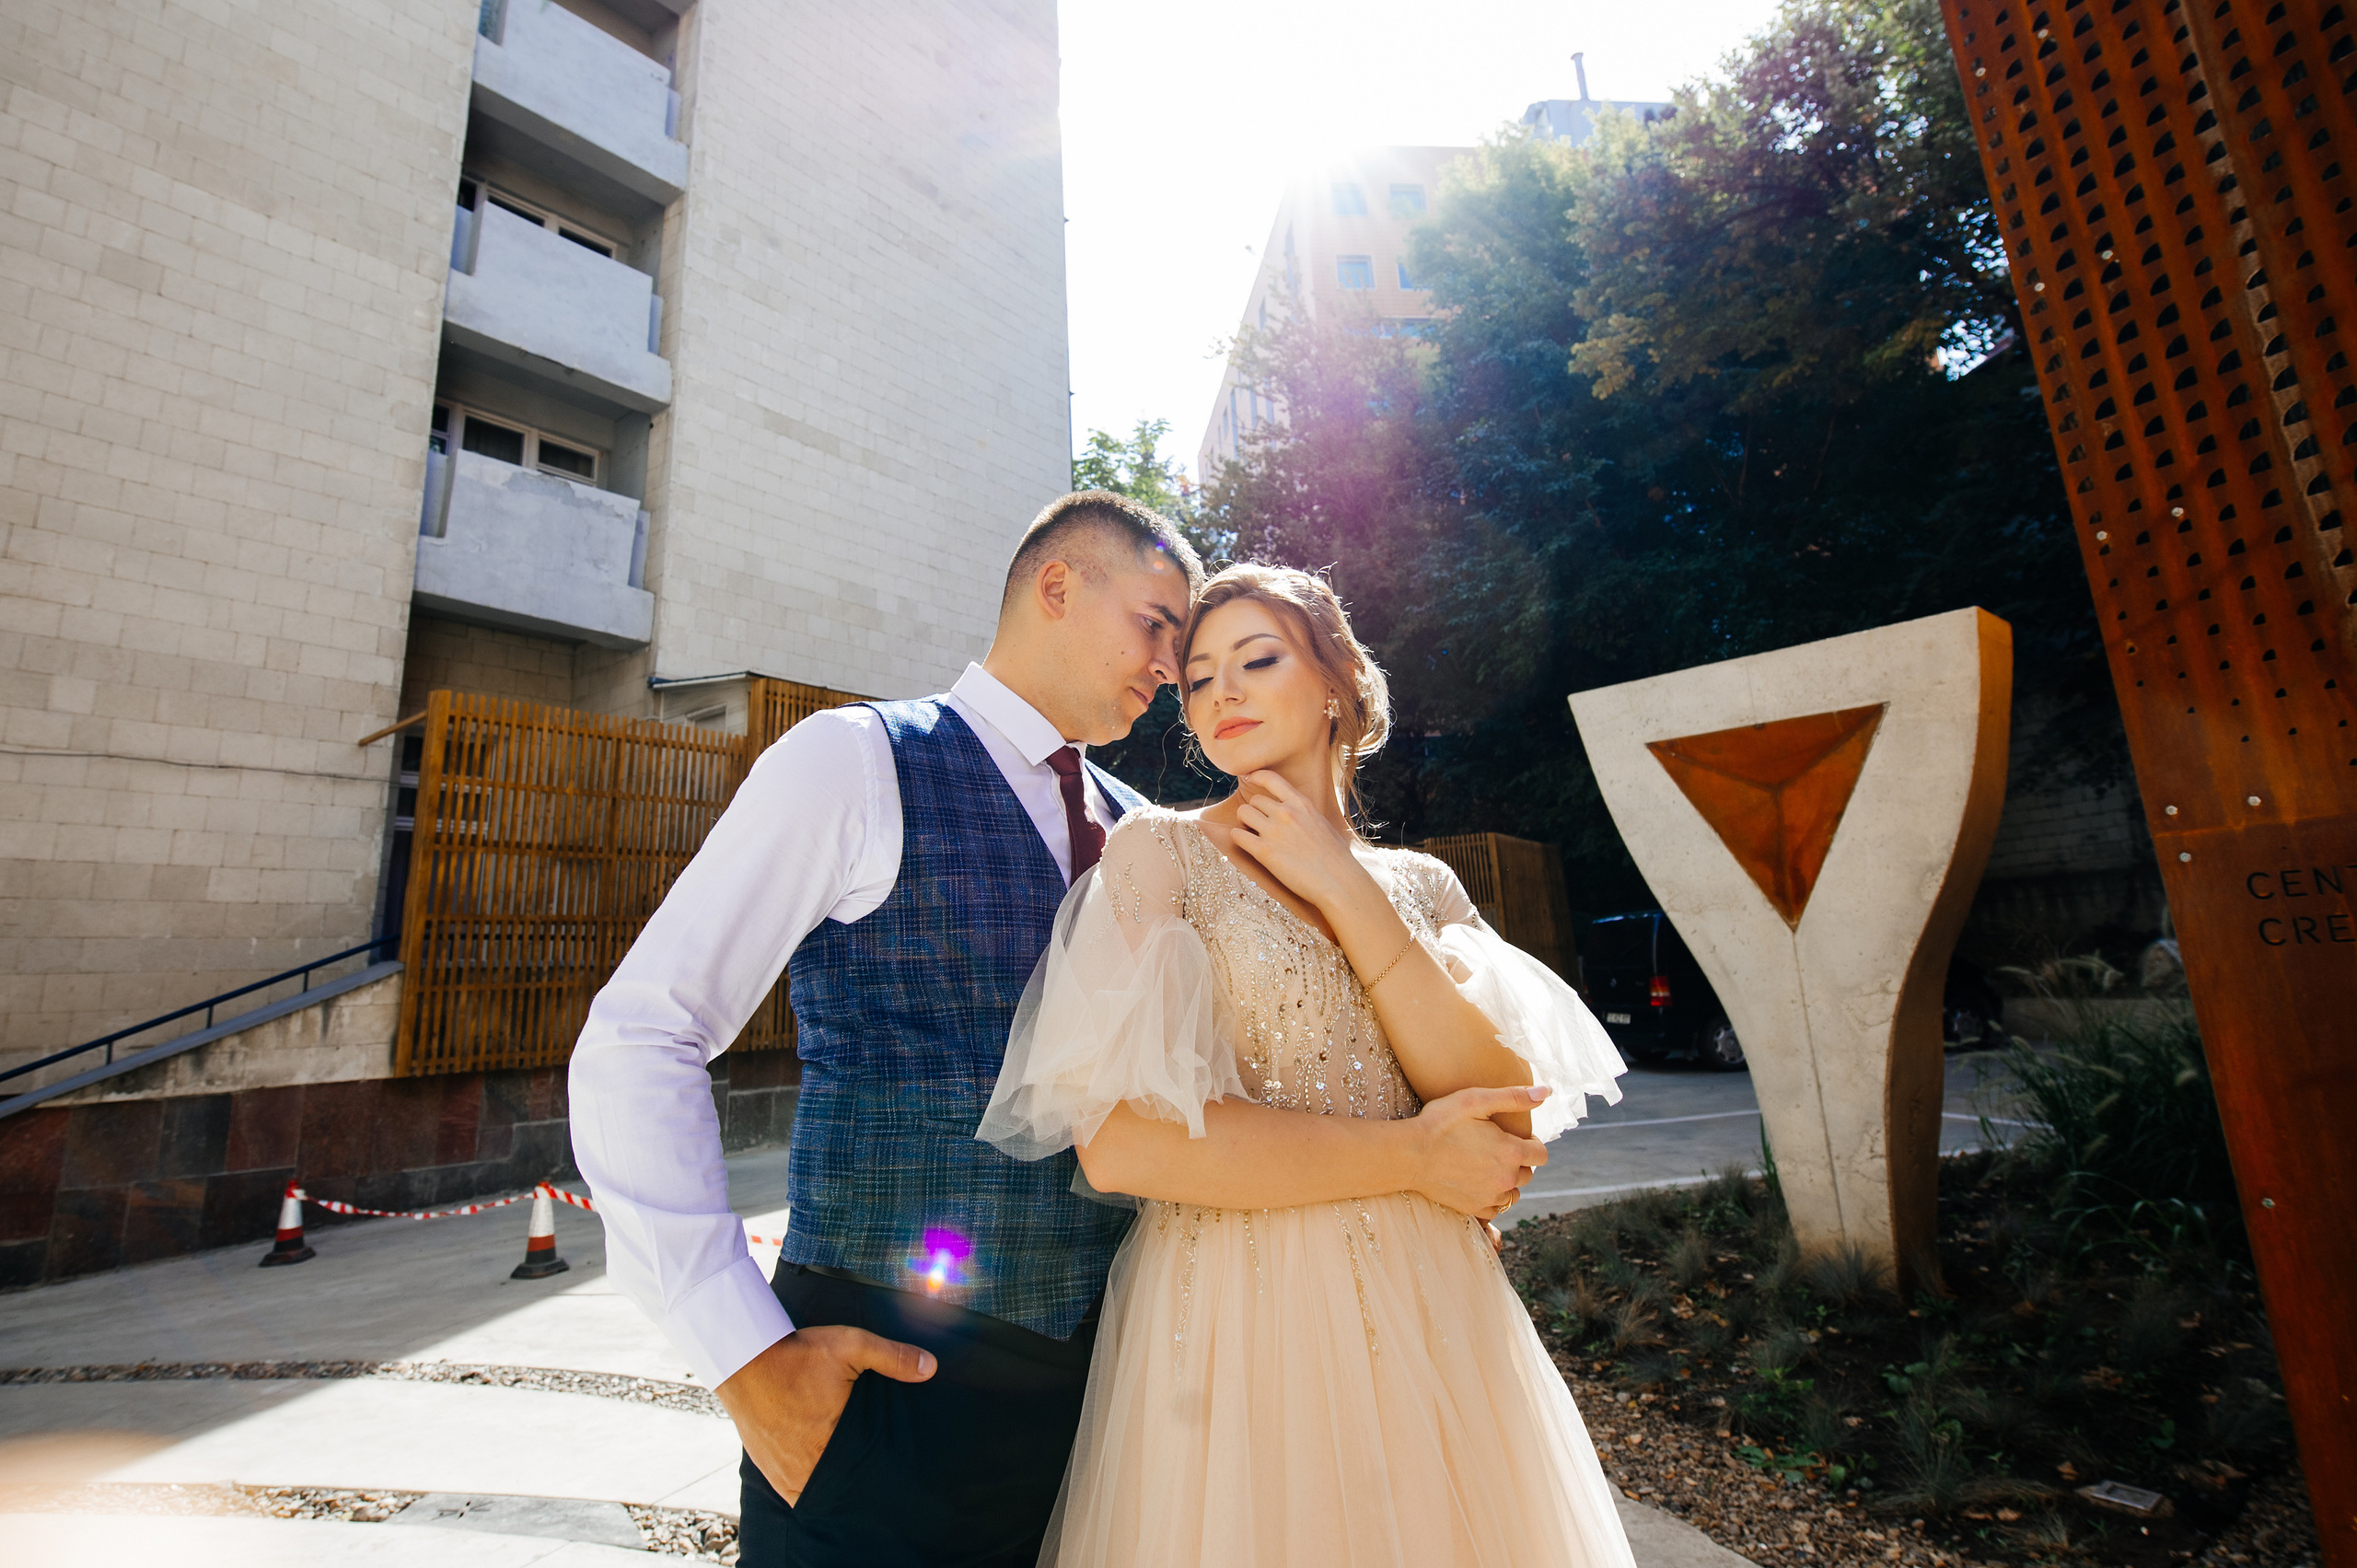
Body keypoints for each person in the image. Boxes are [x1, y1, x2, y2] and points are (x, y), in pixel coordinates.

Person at [567, 494, 1553, 1568]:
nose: (1173, 669)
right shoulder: (854, 759)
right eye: (1158, 625)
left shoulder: (1150, 833)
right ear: (1056, 587)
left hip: (1127, 1393)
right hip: (890, 1384)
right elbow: (643, 1033)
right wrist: (742, 1353)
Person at [978, 563, 1637, 1567]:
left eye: (1257, 660)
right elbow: (1123, 1145)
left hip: (1435, 1308)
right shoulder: (1159, 853)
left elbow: (1502, 1115)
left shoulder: (1424, 885)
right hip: (1237, 1315)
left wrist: (1346, 888)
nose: (1222, 693)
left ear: (1337, 682)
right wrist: (1415, 1156)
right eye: (1199, 677)